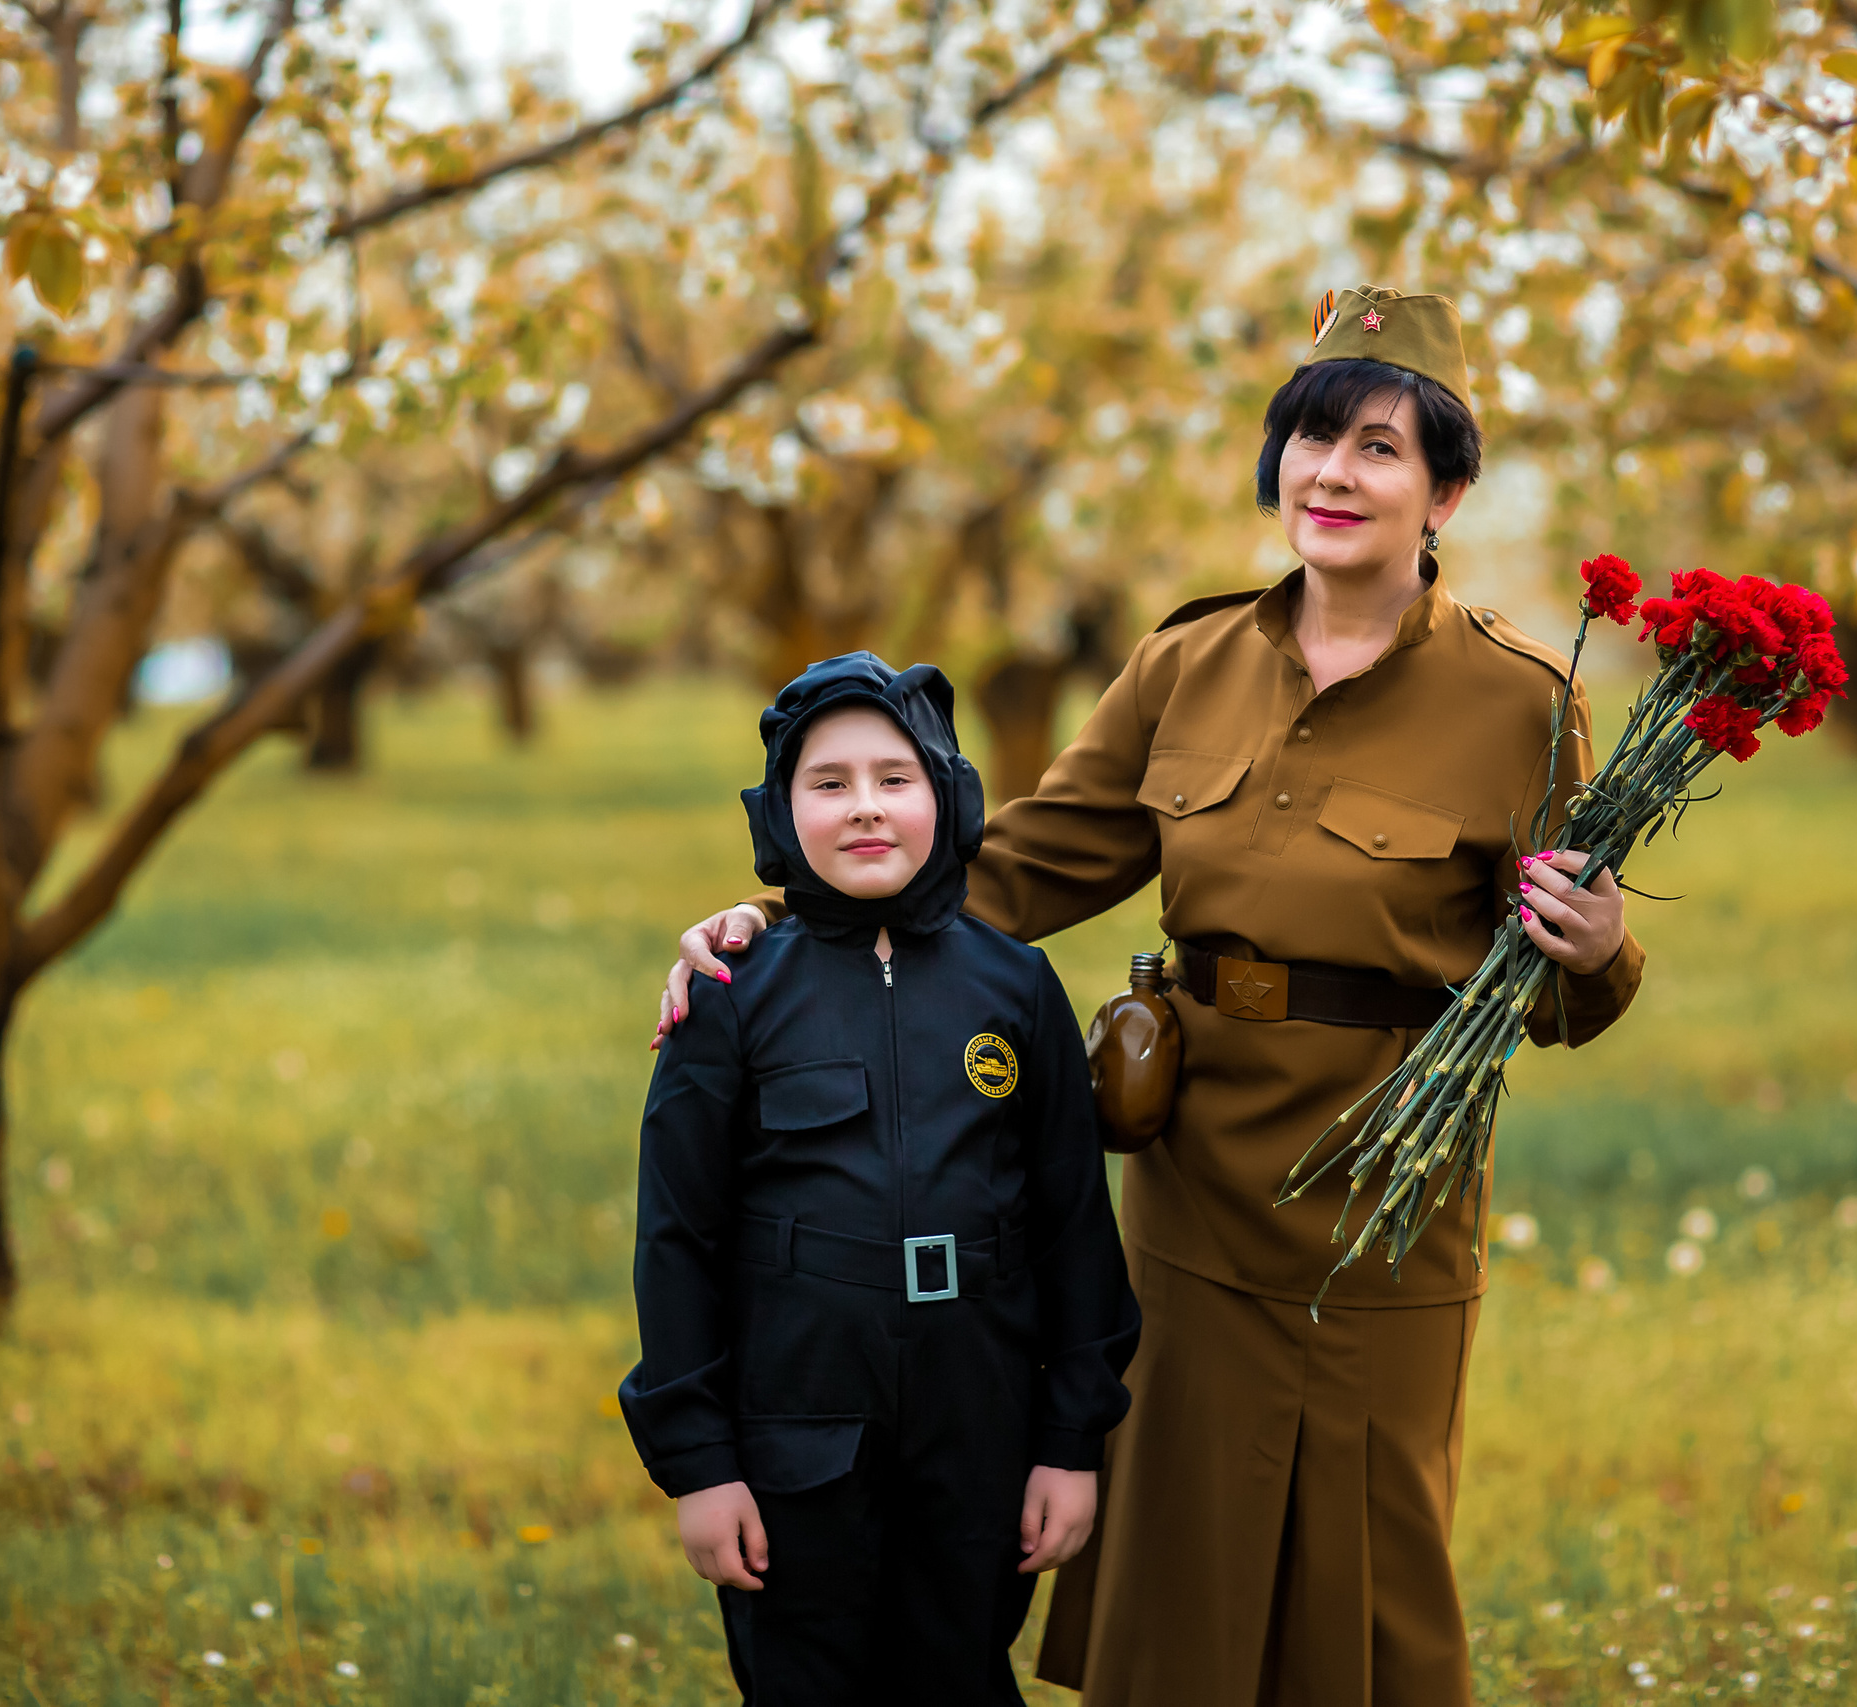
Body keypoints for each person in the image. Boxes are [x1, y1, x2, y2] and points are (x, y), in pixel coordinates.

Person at [651, 285, 1644, 1707]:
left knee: (1370, 1552)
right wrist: (780, 922)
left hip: (1389, 1197)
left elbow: (1553, 995)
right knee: (1180, 1549)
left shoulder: (1522, 702)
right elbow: (1019, 865)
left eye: (1377, 445)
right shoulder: (1189, 661)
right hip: (1190, 1183)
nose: (1331, 473)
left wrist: (1597, 944)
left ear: (1448, 488)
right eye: (1309, 438)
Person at [618, 653, 1141, 1707]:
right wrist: (701, 1466)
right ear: (780, 810)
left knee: (959, 1671)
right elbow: (677, 1237)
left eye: (895, 779)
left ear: (947, 796)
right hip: (795, 1432)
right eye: (829, 783)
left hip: (977, 1425)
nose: (866, 809)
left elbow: (1073, 1226)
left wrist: (1067, 1441)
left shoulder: (1016, 985)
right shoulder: (731, 993)